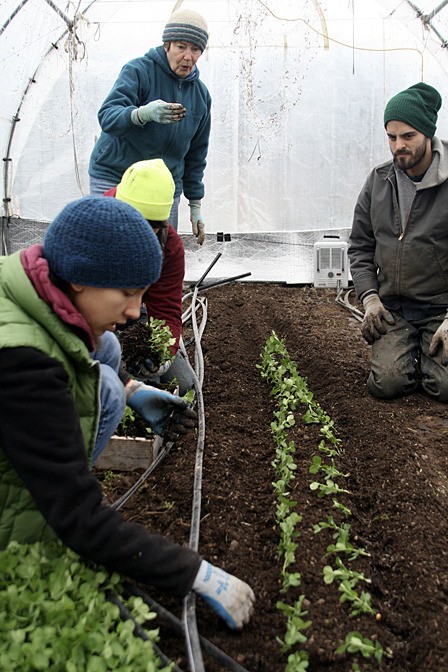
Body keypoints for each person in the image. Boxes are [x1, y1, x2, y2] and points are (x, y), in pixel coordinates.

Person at [0, 195, 255, 630]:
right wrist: (193, 572)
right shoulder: (23, 362)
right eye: (127, 292)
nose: (137, 311)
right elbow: (79, 517)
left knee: (109, 354)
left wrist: (130, 387)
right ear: (80, 278)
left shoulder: (28, 282)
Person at [348, 81, 448, 401]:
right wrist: (371, 298)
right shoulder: (379, 181)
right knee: (386, 385)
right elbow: (361, 245)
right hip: (395, 309)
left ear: (427, 134)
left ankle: (428, 354)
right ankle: (408, 353)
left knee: (444, 388)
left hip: (441, 309)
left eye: (408, 137)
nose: (397, 146)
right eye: (391, 137)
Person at [88, 8, 211, 245]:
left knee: (157, 253)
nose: (188, 56)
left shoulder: (201, 96)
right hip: (116, 175)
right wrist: (142, 114)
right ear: (167, 45)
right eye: (181, 46)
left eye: (195, 49)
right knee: (108, 248)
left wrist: (195, 204)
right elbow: (107, 117)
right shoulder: (139, 71)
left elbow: (197, 153)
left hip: (163, 186)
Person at [105, 158, 195, 395]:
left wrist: (162, 351)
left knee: (182, 384)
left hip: (131, 321)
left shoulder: (170, 248)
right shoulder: (93, 221)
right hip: (90, 318)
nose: (140, 232)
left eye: (150, 226)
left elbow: (165, 309)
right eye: (133, 222)